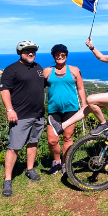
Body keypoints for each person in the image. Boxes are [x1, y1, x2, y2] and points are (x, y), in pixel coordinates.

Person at [48, 35, 108, 138]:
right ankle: (62, 126)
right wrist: (91, 47)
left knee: (90, 99)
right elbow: (101, 57)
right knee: (88, 107)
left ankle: (104, 123)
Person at [0, 40, 46, 197]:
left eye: (33, 51)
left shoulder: (38, 68)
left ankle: (30, 169)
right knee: (14, 147)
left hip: (38, 114)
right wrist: (10, 110)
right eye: (28, 51)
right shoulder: (11, 69)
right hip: (20, 115)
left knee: (33, 142)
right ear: (20, 53)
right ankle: (7, 179)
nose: (31, 53)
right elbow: (5, 90)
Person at [43, 44, 86, 176]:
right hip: (53, 110)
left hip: (71, 109)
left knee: (67, 137)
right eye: (57, 55)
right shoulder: (47, 71)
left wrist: (84, 105)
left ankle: (65, 164)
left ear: (66, 56)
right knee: (52, 140)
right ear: (54, 56)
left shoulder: (74, 70)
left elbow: (80, 88)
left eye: (63, 55)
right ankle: (56, 161)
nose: (60, 57)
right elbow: (38, 88)